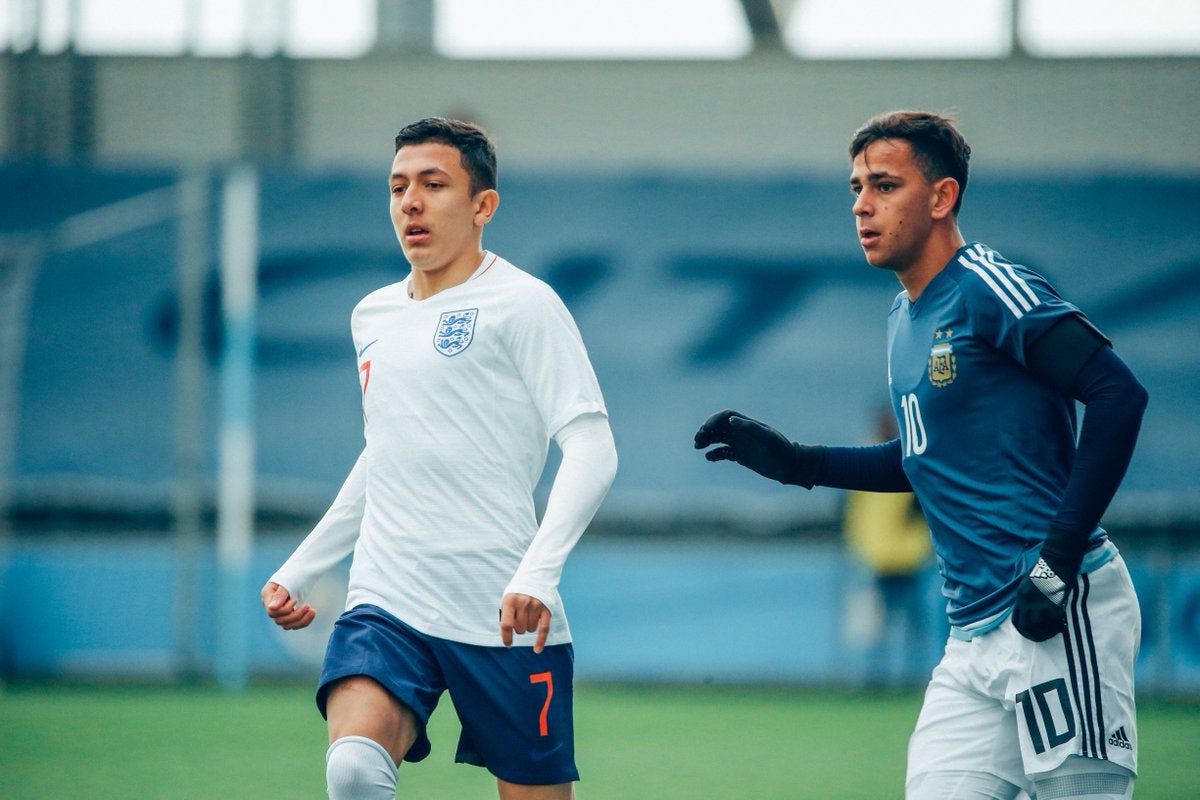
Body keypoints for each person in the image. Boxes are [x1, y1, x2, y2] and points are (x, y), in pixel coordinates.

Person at [694, 110, 1147, 800]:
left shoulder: (989, 286)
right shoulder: (905, 320)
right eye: (855, 188)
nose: (861, 205)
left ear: (941, 197)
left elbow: (1118, 395)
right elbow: (923, 458)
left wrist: (1055, 561)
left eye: (884, 185)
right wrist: (803, 464)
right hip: (972, 637)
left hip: (1058, 606)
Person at [262, 117, 617, 800]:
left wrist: (537, 575)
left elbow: (592, 446)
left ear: (483, 206)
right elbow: (385, 454)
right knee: (354, 771)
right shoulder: (372, 315)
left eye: (433, 184)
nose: (410, 203)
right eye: (398, 187)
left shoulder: (524, 305)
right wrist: (303, 567)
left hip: (503, 614)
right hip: (387, 596)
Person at [840, 406, 932, 686]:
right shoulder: (865, 454)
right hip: (877, 555)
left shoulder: (913, 453)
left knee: (913, 621)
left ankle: (913, 675)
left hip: (909, 555)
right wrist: (857, 546)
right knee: (877, 621)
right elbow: (854, 511)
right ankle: (876, 675)